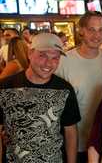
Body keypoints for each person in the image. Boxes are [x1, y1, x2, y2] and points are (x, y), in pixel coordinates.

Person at [0, 33, 81, 163]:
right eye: (42, 55)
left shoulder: (65, 89)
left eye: (55, 58)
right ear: (30, 54)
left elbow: (70, 132)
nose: (48, 63)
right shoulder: (5, 87)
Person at [55, 11, 102, 163]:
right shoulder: (64, 61)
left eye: (101, 29)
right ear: (81, 31)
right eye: (91, 29)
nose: (97, 35)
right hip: (75, 141)